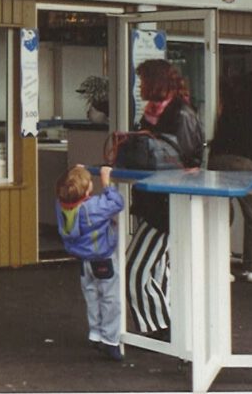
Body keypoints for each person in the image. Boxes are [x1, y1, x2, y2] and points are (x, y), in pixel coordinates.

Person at [126, 58, 204, 338]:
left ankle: (162, 327)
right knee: (158, 270)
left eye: (143, 80)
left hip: (166, 203)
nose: (140, 86)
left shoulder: (178, 114)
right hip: (159, 201)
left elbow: (184, 159)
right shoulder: (166, 111)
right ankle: (170, 326)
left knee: (135, 269)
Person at [208, 72, 252, 283]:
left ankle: (220, 265)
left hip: (217, 159)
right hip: (245, 162)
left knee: (221, 212)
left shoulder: (231, 103)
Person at [56, 164, 125, 361]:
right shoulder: (92, 208)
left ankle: (95, 333)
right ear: (87, 191)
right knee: (110, 299)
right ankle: (111, 340)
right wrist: (106, 182)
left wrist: (74, 173)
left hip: (84, 260)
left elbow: (67, 188)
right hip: (103, 258)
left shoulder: (61, 206)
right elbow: (117, 202)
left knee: (92, 296)